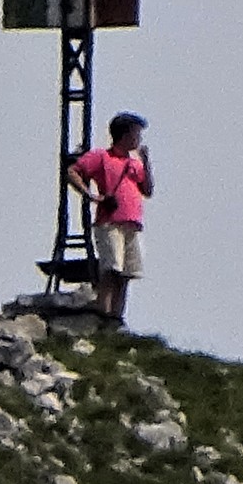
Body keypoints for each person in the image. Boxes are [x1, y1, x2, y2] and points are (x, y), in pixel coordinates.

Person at [66, 111, 153, 325]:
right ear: (125, 135)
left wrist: (147, 163)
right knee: (111, 269)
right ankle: (103, 314)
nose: (138, 138)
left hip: (132, 223)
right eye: (136, 133)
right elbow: (72, 171)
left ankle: (116, 317)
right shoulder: (102, 157)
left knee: (126, 273)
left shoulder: (135, 164)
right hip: (110, 222)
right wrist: (92, 195)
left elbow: (148, 190)